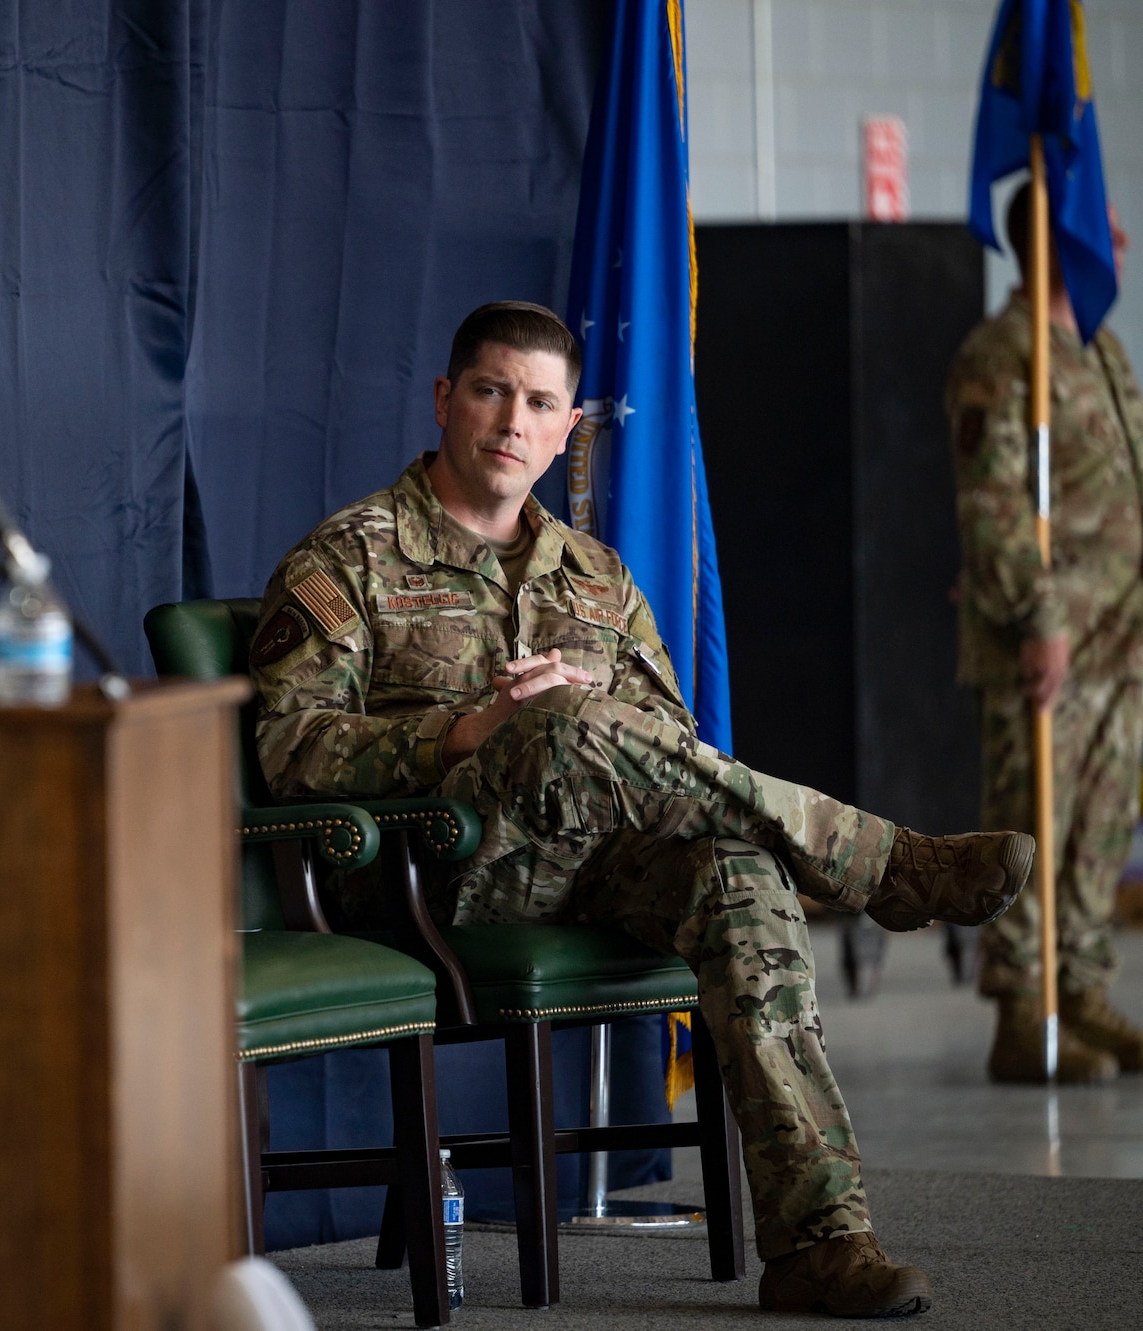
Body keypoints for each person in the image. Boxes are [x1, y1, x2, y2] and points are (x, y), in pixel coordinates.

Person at [251, 301, 1034, 1319]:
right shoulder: (345, 558)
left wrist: (587, 710)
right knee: (558, 722)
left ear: (567, 423)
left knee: (738, 875)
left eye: (538, 402)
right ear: (446, 398)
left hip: (589, 864)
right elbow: (287, 751)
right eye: (489, 391)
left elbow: (675, 756)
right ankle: (879, 863)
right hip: (429, 871)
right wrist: (463, 731)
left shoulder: (596, 576)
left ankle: (818, 1242)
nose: (509, 421)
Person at [945, 185, 1143, 1084]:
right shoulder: (1003, 354)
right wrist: (1038, 619)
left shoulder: (1098, 349)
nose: (1123, 239)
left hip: (1120, 643)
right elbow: (994, 509)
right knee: (1032, 820)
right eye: (1103, 226)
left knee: (1100, 827)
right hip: (1051, 643)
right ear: (1058, 239)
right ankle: (1024, 1012)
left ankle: (1085, 988)